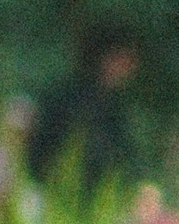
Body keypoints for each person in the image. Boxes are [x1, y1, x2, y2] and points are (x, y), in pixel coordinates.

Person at [28, 23, 145, 193]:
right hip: (65, 193)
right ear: (107, 58)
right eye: (126, 58)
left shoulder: (112, 105)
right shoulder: (69, 99)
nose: (131, 67)